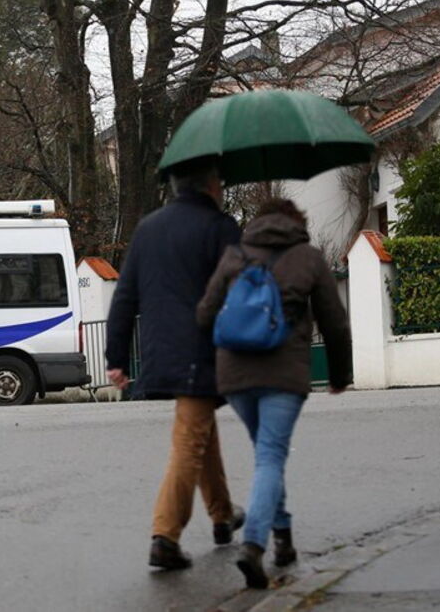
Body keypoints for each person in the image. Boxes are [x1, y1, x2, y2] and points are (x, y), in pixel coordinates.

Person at [196, 198, 352, 589]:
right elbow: (335, 324)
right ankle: (254, 546)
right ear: (297, 222)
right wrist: (338, 375)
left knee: (267, 455)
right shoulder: (309, 258)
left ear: (259, 222)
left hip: (235, 376)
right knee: (270, 457)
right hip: (285, 375)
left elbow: (204, 314)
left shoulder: (235, 255)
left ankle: (283, 539)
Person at [106, 157, 245, 570]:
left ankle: (222, 515)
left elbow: (124, 296)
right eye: (220, 180)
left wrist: (116, 357)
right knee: (189, 440)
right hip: (201, 352)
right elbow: (244, 291)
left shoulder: (148, 229)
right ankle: (165, 535)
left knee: (200, 428)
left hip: (160, 353)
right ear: (211, 185)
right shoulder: (220, 228)